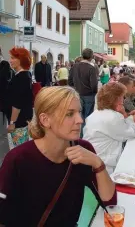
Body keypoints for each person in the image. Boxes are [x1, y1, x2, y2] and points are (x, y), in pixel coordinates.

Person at [0, 86, 116, 226]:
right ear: (45, 120)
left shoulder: (83, 150)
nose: (80, 120)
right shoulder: (18, 159)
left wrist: (98, 163)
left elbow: (110, 202)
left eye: (79, 112)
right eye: (69, 114)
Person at [83, 82, 135, 174]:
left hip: (92, 160)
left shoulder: (95, 114)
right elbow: (133, 133)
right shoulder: (113, 117)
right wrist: (124, 114)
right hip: (104, 165)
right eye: (122, 97)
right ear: (116, 99)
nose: (123, 100)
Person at [5, 47, 33, 148]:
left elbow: (17, 104)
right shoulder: (26, 75)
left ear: (21, 60)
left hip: (18, 122)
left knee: (18, 151)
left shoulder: (20, 78)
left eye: (13, 58)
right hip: (23, 120)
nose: (10, 60)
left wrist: (12, 123)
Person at [69, 48, 98, 132]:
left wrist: (74, 88)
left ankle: (79, 134)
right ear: (91, 56)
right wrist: (94, 92)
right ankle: (85, 134)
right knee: (88, 116)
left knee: (78, 115)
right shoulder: (91, 68)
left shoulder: (74, 66)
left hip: (77, 93)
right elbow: (94, 84)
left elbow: (70, 81)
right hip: (89, 94)